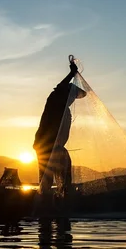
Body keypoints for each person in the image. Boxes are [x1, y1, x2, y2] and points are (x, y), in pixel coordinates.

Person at [33, 59, 86, 197]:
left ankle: (62, 195)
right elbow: (60, 87)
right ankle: (45, 200)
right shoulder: (55, 100)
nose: (73, 99)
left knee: (65, 167)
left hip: (56, 146)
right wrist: (71, 73)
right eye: (72, 95)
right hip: (45, 145)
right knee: (47, 176)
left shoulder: (66, 110)